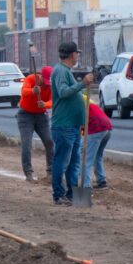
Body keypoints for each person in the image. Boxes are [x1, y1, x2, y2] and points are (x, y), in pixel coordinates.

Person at [50, 41, 94, 206]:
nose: (77, 56)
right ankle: (59, 195)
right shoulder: (61, 71)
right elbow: (63, 92)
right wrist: (82, 83)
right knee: (62, 162)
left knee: (74, 162)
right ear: (72, 54)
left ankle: (72, 195)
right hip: (64, 126)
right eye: (77, 53)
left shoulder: (66, 71)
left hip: (75, 126)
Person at [17, 67, 54, 182]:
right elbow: (23, 91)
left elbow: (52, 101)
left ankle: (50, 171)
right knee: (26, 144)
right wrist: (33, 91)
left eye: (48, 82)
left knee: (49, 142)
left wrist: (45, 104)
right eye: (45, 81)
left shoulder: (51, 86)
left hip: (41, 116)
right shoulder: (31, 79)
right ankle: (28, 173)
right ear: (40, 76)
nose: (46, 84)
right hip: (25, 116)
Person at [81, 100, 112, 189]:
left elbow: (81, 126)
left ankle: (85, 187)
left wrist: (81, 138)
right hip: (107, 128)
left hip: (96, 129)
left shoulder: (77, 106)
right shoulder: (89, 103)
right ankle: (101, 181)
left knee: (85, 158)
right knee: (97, 155)